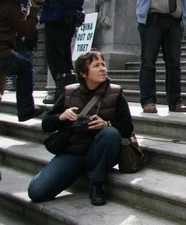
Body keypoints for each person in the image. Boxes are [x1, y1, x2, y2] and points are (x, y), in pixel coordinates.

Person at [28, 50, 134, 206]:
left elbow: (127, 127)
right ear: (84, 73)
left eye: (103, 65)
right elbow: (46, 124)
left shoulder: (116, 93)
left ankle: (97, 184)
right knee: (36, 192)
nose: (103, 69)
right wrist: (61, 117)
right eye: (96, 65)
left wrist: (107, 124)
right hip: (72, 153)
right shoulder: (70, 92)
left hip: (99, 152)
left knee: (110, 133)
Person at [40, 0, 85, 105]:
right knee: (64, 57)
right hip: (64, 22)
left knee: (56, 58)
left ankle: (61, 93)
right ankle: (67, 91)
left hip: (57, 22)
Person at [0, 0, 45, 121]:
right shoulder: (10, 5)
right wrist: (35, 8)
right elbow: (26, 29)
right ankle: (26, 109)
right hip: (2, 52)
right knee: (25, 67)